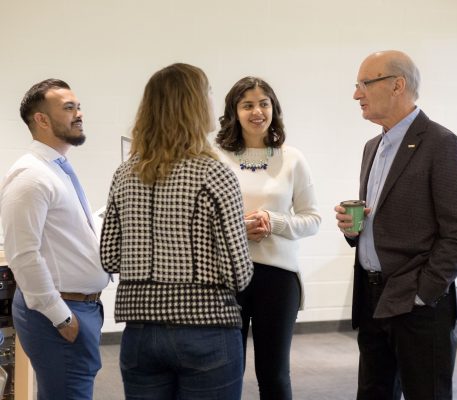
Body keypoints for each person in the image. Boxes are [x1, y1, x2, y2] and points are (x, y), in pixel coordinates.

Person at [100, 63, 254, 400]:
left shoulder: (124, 175)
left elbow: (109, 257)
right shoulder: (214, 174)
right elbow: (238, 273)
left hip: (139, 332)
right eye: (209, 93)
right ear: (196, 105)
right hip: (207, 329)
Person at [334, 50, 457, 400]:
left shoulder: (442, 144)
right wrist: (355, 230)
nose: (357, 94)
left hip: (417, 305)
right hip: (372, 300)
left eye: (364, 84)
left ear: (397, 85)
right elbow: (382, 220)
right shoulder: (373, 147)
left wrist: (423, 292)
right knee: (373, 393)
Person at [0, 79, 109, 400]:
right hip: (59, 312)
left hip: (80, 307)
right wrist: (60, 317)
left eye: (78, 106)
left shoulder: (57, 169)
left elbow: (72, 232)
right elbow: (22, 255)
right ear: (42, 120)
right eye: (69, 108)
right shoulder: (31, 176)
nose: (79, 114)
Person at [215, 76, 321, 400]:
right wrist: (237, 227)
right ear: (234, 112)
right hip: (227, 276)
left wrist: (273, 222)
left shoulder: (292, 158)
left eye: (264, 103)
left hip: (278, 278)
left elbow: (312, 219)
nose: (257, 111)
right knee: (224, 371)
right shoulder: (215, 157)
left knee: (274, 373)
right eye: (247, 105)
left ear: (274, 108)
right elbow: (199, 221)